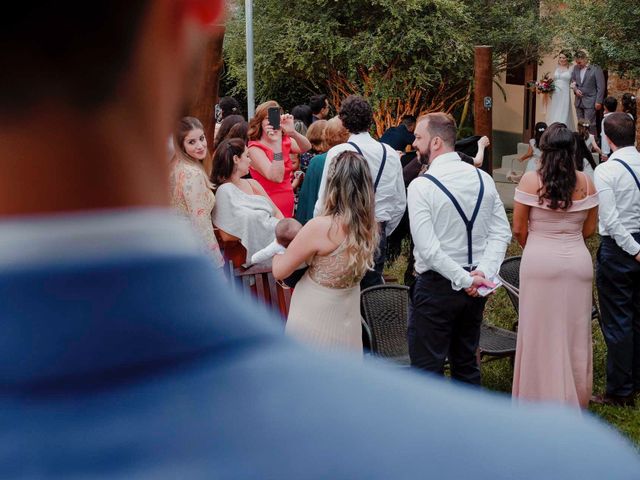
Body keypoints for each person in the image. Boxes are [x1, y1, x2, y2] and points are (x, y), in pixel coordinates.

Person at [4, 1, 640, 477]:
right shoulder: (562, 464)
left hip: (394, 292)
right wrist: (477, 270)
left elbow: (293, 265)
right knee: (461, 359)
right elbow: (505, 227)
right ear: (194, 20)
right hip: (439, 293)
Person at [407, 113, 512, 385]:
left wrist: (469, 279)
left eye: (419, 138)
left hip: (436, 287)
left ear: (437, 142)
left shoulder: (421, 186)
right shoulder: (484, 179)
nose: (414, 144)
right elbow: (501, 233)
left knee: (426, 370)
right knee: (466, 364)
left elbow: (428, 250)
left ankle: (429, 427)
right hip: (475, 289)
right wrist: (482, 274)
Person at [512, 124, 599, 408]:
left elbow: (518, 229)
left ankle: (537, 399)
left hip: (539, 261)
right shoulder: (586, 181)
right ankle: (573, 400)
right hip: (577, 261)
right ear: (573, 149)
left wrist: (537, 247)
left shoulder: (529, 181)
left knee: (537, 331)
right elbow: (589, 230)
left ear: (543, 148)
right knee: (574, 332)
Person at [274, 151, 378, 354]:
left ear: (332, 185)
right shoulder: (369, 226)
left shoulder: (321, 227)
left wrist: (278, 251)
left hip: (315, 316)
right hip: (347, 314)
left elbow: (280, 271)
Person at [314, 95, 406, 289]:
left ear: (343, 121)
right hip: (376, 231)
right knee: (370, 295)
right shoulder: (390, 153)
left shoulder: (337, 152)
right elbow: (399, 203)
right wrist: (382, 230)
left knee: (342, 291)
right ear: (370, 120)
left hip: (342, 231)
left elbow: (323, 201)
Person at [593, 112, 640, 407]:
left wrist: (633, 250)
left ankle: (620, 391)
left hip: (620, 249)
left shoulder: (606, 171)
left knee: (618, 321)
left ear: (607, 139)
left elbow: (609, 220)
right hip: (635, 243)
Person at [211, 138, 283, 264]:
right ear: (236, 159)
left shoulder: (253, 183)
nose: (250, 160)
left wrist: (283, 234)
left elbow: (277, 212)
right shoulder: (224, 191)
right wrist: (263, 228)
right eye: (247, 156)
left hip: (276, 245)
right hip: (243, 260)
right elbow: (226, 234)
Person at [169, 116, 224, 268]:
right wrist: (216, 262)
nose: (200, 146)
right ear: (181, 145)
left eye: (201, 138)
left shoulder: (175, 167)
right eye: (191, 142)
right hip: (193, 251)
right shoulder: (193, 174)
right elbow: (200, 222)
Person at [248, 101, 311, 217]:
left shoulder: (284, 140)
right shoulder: (254, 148)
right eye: (267, 118)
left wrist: (293, 133)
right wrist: (277, 144)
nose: (271, 122)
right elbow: (276, 177)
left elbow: (306, 147)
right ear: (260, 122)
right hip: (267, 204)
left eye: (274, 118)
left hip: (288, 199)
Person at [296, 117, 348, 225]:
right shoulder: (356, 159)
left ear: (325, 136)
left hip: (320, 224)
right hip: (347, 224)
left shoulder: (317, 161)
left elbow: (307, 198)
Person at [571, 50, 605, 135]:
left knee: (590, 124)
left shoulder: (596, 68)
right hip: (578, 101)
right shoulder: (575, 68)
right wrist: (575, 90)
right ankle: (582, 144)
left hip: (590, 100)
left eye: (579, 62)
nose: (578, 64)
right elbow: (572, 81)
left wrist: (599, 101)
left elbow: (601, 86)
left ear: (585, 59)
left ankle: (593, 145)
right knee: (580, 124)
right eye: (576, 62)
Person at [546, 50, 576, 130]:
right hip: (556, 93)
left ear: (568, 58)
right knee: (555, 111)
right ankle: (553, 130)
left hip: (565, 93)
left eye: (564, 58)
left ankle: (562, 130)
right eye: (560, 57)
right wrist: (546, 84)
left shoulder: (571, 68)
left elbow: (574, 81)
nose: (562, 59)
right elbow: (553, 79)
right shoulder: (556, 67)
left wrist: (574, 86)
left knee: (563, 112)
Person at [601, 96, 619, 161]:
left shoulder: (605, 120)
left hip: (609, 149)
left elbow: (604, 137)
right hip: (618, 148)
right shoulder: (618, 118)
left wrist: (604, 153)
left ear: (605, 107)